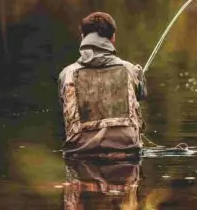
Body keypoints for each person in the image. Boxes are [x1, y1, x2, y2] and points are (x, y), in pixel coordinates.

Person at [58, 12, 147, 159]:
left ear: (83, 38)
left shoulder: (66, 74)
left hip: (79, 155)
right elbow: (142, 95)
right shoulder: (130, 70)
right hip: (128, 154)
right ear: (113, 38)